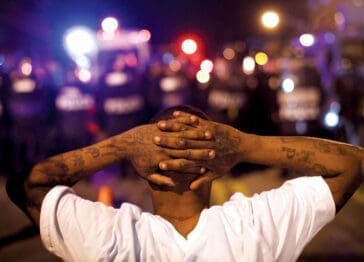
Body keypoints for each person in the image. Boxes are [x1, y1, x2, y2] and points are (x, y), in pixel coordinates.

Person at [6, 105, 363, 262]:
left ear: (145, 170)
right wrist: (245, 144)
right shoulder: (256, 229)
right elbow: (352, 164)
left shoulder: (106, 237)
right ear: (216, 165)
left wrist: (124, 144)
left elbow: (26, 185)